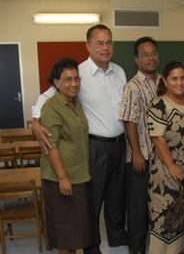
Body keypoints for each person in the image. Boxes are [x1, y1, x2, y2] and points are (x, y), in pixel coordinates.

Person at [32, 24, 127, 254]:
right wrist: (36, 123)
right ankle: (91, 244)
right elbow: (46, 98)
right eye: (99, 43)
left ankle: (116, 237)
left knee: (116, 196)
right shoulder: (78, 73)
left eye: (109, 42)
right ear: (88, 45)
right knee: (90, 201)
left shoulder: (120, 72)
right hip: (93, 146)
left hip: (119, 143)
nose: (105, 48)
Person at [146, 61, 184, 254]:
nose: (179, 82)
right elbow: (158, 139)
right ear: (165, 80)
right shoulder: (158, 105)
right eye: (174, 78)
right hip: (166, 174)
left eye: (182, 78)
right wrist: (172, 166)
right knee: (166, 215)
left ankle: (180, 250)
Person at [40, 58, 96, 254]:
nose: (74, 84)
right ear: (56, 82)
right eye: (67, 79)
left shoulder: (75, 103)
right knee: (65, 234)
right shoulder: (52, 107)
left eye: (76, 78)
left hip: (79, 175)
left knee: (76, 231)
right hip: (60, 179)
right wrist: (63, 177)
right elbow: (51, 146)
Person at [119, 36, 161, 254]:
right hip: (141, 156)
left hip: (162, 157)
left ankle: (159, 246)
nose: (151, 58)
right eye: (145, 54)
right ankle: (137, 249)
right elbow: (129, 120)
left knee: (160, 203)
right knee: (137, 207)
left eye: (153, 53)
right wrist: (136, 152)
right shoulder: (132, 87)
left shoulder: (164, 82)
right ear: (137, 60)